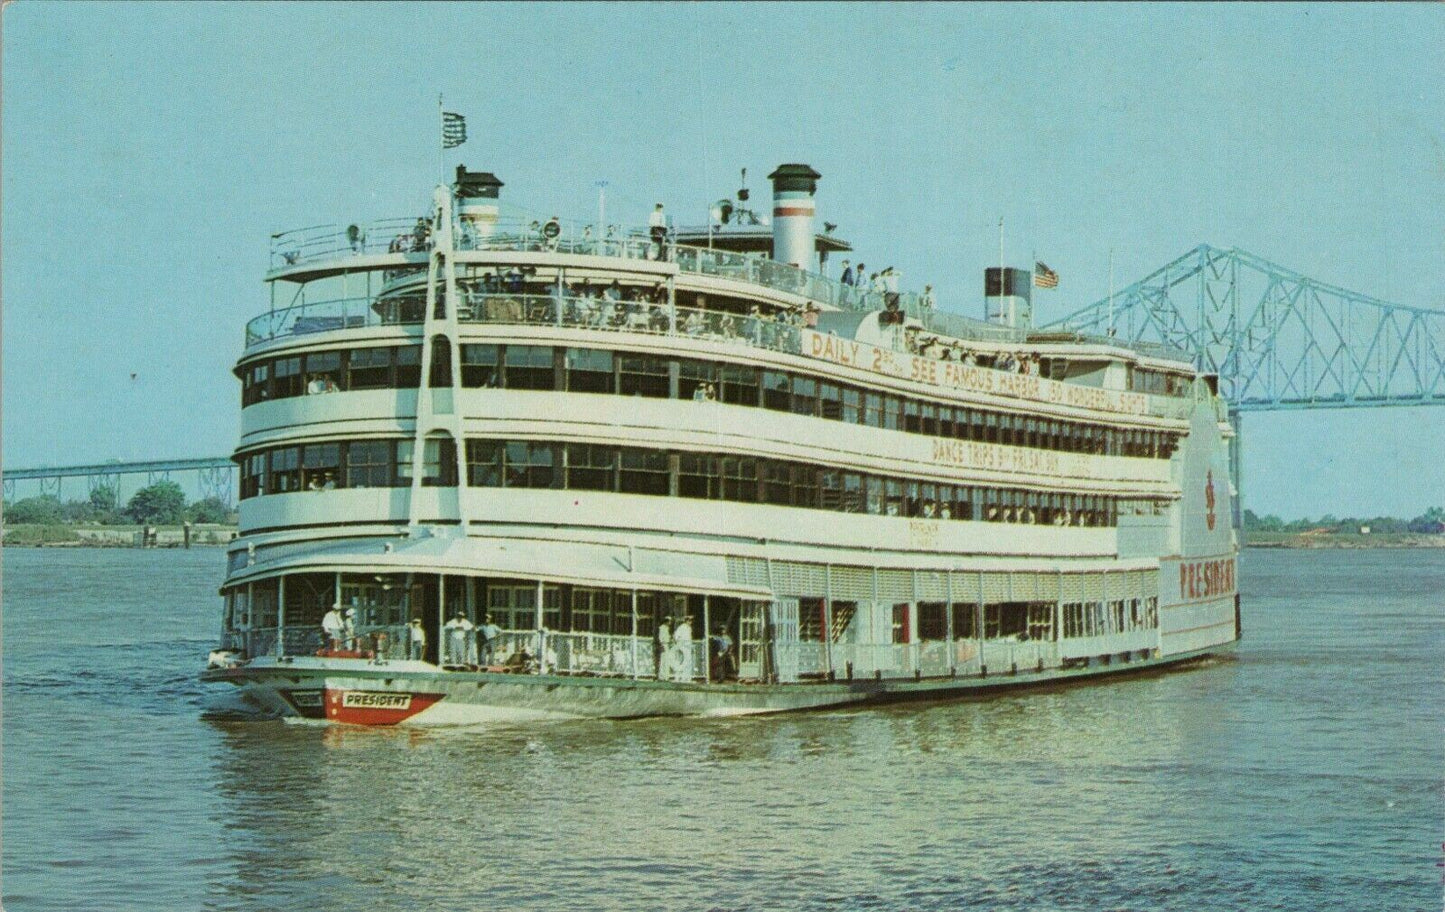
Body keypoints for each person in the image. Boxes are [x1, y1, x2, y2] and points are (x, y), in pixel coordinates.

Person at [671, 614, 694, 681]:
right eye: (689, 620)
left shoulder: (689, 628)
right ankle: (678, 677)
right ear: (686, 620)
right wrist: (679, 645)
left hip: (688, 646)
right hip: (682, 646)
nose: (690, 622)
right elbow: (676, 636)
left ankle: (686, 677)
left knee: (688, 662)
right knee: (681, 662)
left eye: (691, 620)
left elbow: (689, 638)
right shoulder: (681, 627)